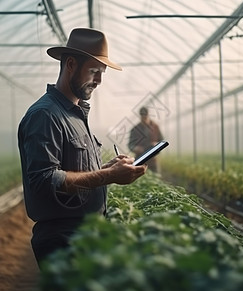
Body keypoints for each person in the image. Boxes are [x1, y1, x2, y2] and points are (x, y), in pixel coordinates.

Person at [17, 28, 147, 268]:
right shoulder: (46, 115)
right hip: (63, 241)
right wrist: (109, 176)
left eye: (102, 73)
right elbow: (44, 180)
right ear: (71, 64)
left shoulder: (76, 115)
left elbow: (75, 168)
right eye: (94, 72)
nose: (99, 81)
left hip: (83, 236)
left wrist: (107, 168)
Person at [128, 106, 164, 173]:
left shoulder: (155, 127)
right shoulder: (135, 129)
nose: (144, 118)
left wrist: (156, 144)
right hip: (140, 159)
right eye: (142, 116)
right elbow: (130, 145)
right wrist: (135, 148)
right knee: (139, 177)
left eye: (145, 116)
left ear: (148, 115)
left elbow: (162, 141)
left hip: (153, 159)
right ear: (140, 116)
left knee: (155, 178)